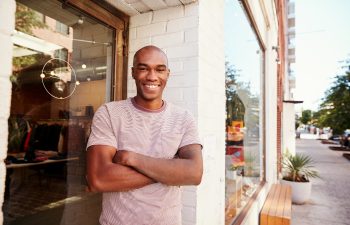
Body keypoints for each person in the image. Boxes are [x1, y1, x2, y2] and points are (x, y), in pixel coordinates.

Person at [86, 45, 203, 225]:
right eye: (143, 68)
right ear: (133, 72)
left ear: (168, 74)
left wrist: (131, 158)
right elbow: (99, 179)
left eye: (160, 70)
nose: (152, 76)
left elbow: (194, 174)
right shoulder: (110, 113)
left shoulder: (183, 118)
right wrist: (172, 170)